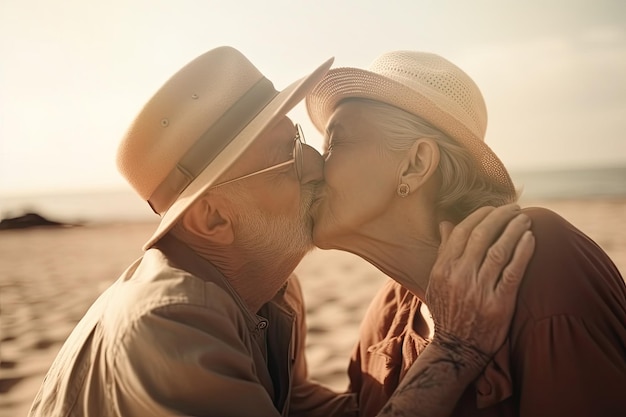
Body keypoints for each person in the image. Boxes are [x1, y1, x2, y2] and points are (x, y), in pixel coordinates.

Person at [28, 46, 533, 417]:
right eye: (284, 156)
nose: (316, 163)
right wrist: (454, 352)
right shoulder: (168, 326)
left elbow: (295, 403)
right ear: (214, 219)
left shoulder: (267, 285)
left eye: (298, 138)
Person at [305, 50, 626, 417]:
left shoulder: (534, 258)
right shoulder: (388, 312)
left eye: (333, 144)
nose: (313, 167)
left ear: (415, 164)